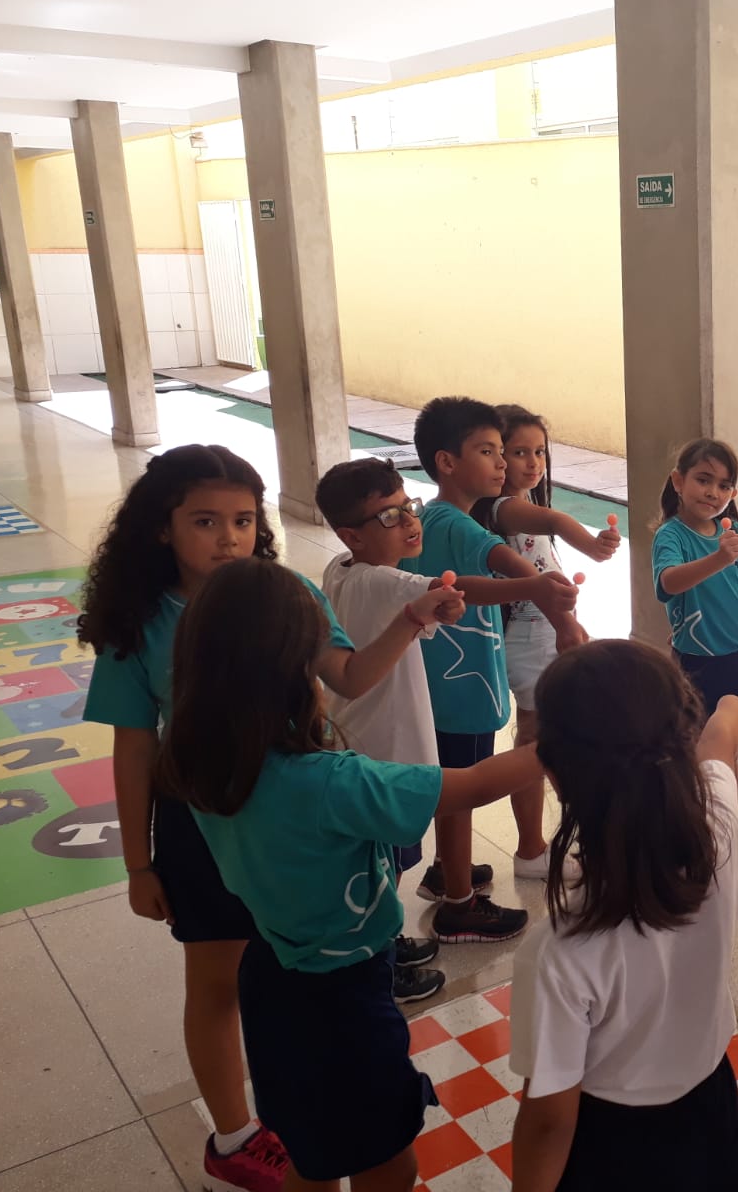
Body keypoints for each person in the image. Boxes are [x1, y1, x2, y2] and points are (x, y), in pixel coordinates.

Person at [78, 444, 459, 1192]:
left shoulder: (286, 594)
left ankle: (308, 1108)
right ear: (161, 528)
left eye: (243, 519)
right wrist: (138, 863)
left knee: (294, 981)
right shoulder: (141, 622)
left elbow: (348, 674)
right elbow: (134, 747)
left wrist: (412, 618)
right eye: (205, 521)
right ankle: (236, 1135)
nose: (228, 537)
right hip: (204, 816)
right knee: (217, 980)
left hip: (296, 818)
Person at [156, 558, 541, 1192]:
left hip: (274, 977)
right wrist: (562, 744)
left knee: (313, 1155)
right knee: (389, 1162)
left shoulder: (199, 760)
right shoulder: (329, 783)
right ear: (292, 675)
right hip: (344, 1002)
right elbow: (471, 784)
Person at [507, 640, 738, 1190]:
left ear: (555, 775)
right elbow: (720, 745)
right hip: (711, 1118)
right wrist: (734, 707)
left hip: (611, 1150)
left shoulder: (559, 951)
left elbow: (550, 1122)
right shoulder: (721, 835)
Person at [400, 397, 584, 944]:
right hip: (462, 688)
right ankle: (459, 906)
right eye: (488, 451)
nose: (503, 463)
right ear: (446, 462)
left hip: (455, 683)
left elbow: (468, 585)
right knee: (460, 792)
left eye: (503, 451)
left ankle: (446, 872)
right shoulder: (452, 521)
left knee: (454, 788)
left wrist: (539, 592)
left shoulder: (438, 519)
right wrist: (544, 593)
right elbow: (497, 565)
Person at [316, 456, 480, 1002]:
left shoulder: (339, 568)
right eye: (389, 516)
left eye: (408, 506)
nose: (410, 520)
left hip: (358, 747)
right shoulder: (382, 580)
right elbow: (426, 588)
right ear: (352, 535)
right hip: (388, 754)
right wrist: (448, 595)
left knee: (380, 863)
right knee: (387, 867)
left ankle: (384, 943)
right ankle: (380, 965)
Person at [473, 404, 619, 881]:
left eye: (539, 451)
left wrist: (568, 622)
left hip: (544, 635)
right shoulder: (504, 508)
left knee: (542, 741)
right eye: (518, 452)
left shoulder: (516, 507)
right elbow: (554, 520)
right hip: (533, 640)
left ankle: (540, 845)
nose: (532, 462)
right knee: (542, 743)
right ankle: (538, 847)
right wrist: (592, 545)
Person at [651, 437, 738, 885]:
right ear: (678, 481)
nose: (713, 492)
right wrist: (719, 557)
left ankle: (728, 839)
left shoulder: (730, 530)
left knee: (730, 750)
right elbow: (668, 582)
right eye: (703, 480)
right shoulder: (672, 535)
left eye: (723, 485)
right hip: (702, 662)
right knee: (698, 754)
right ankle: (698, 840)